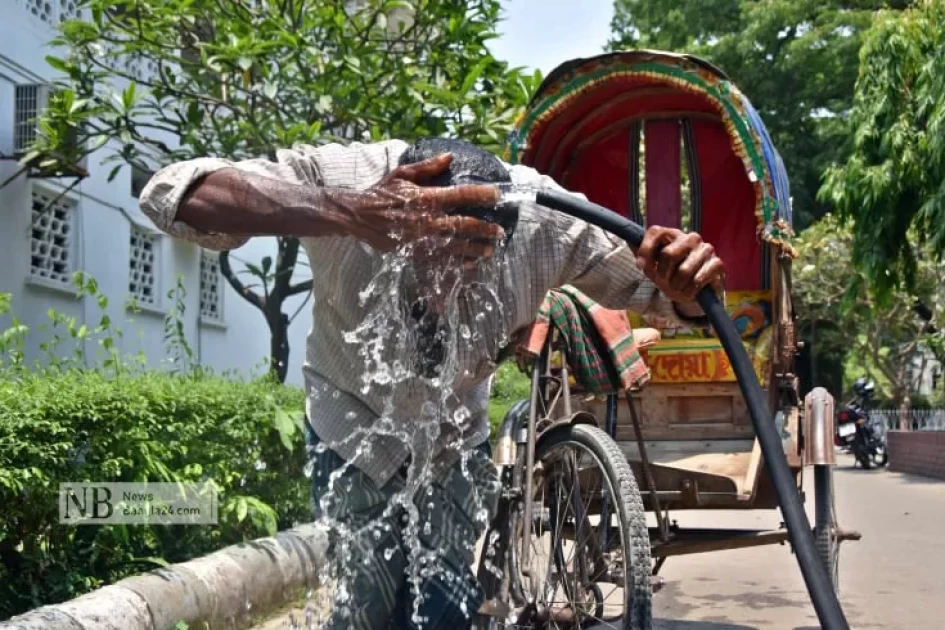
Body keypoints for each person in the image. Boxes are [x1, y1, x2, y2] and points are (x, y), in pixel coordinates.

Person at [139, 137, 725, 630]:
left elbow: (672, 295)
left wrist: (687, 277)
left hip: (453, 436)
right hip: (350, 423)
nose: (441, 291)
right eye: (427, 262)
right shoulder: (350, 179)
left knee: (445, 605)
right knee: (363, 605)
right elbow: (173, 193)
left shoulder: (547, 220)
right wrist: (345, 210)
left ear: (504, 241)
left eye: (466, 270)